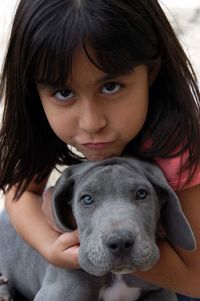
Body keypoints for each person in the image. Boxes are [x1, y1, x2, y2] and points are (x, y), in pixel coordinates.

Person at [0, 0, 200, 300]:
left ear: (151, 71)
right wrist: (51, 248)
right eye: (64, 92)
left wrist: (118, 247)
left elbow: (196, 278)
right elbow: (20, 192)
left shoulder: (177, 144)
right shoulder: (41, 120)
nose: (92, 123)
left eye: (111, 86)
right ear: (34, 91)